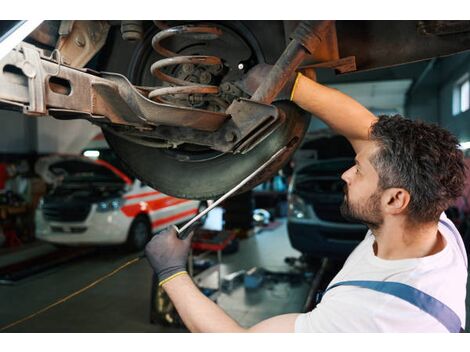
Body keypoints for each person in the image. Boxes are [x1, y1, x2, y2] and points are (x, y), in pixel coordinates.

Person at [144, 69, 468, 332]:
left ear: (395, 199)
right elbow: (364, 130)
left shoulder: (374, 320)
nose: (345, 175)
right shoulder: (428, 219)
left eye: (359, 169)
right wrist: (291, 84)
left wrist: (172, 272)